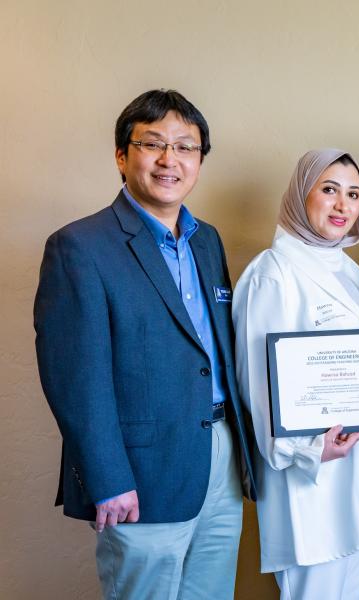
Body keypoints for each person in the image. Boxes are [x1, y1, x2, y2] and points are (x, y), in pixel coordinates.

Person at [33, 89, 257, 600]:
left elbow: (217, 350)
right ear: (121, 155)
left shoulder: (208, 240)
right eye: (153, 144)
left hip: (219, 457)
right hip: (140, 469)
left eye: (185, 147)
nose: (169, 160)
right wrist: (107, 476)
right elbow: (74, 375)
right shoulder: (80, 247)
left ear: (200, 159)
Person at [233, 149, 359, 599]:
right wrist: (304, 449)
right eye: (329, 190)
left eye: (354, 194)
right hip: (311, 479)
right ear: (299, 196)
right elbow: (257, 382)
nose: (343, 205)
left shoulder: (352, 272)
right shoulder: (272, 273)